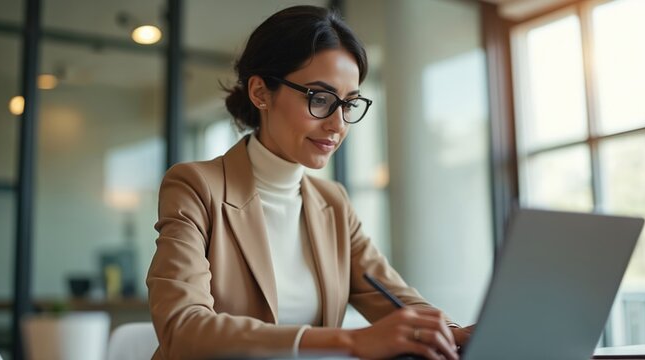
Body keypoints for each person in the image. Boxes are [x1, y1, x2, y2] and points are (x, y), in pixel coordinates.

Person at [147, 5, 472, 359]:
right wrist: (350, 340)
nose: (338, 125)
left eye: (348, 104)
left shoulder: (332, 201)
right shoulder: (196, 186)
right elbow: (182, 328)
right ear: (260, 92)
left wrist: (454, 334)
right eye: (320, 98)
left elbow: (391, 295)